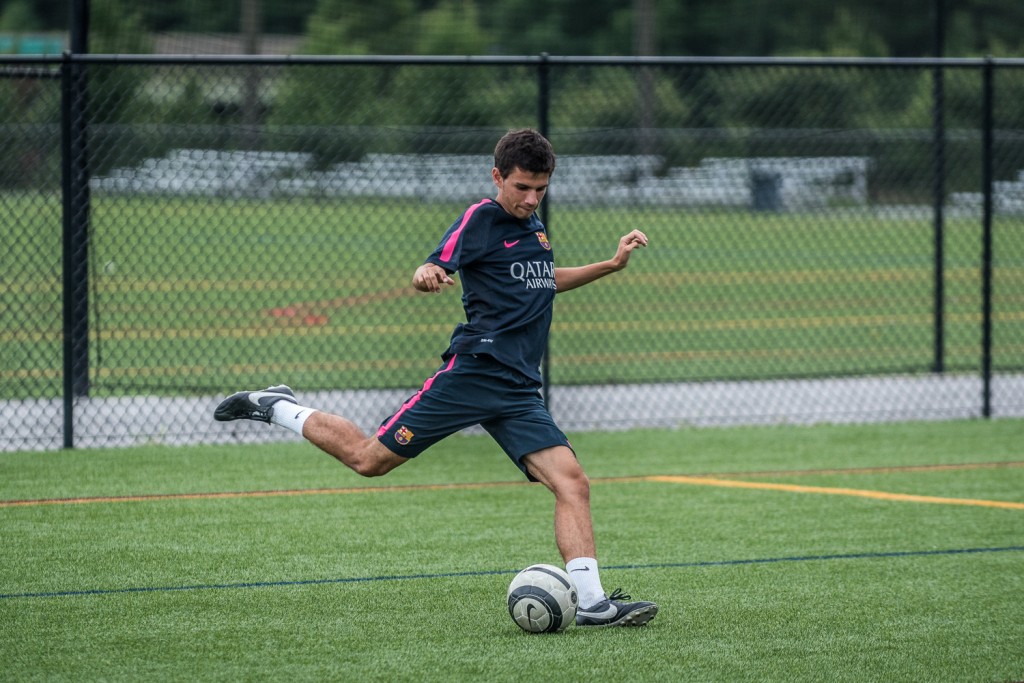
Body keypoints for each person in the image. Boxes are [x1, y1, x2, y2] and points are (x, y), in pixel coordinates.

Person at [215, 128, 657, 627]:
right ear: (497, 177)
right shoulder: (482, 217)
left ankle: (594, 604)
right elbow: (432, 263)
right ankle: (275, 406)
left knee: (573, 482)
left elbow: (544, 281)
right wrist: (427, 273)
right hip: (474, 373)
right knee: (368, 460)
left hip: (517, 390)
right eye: (521, 188)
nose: (531, 199)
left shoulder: (534, 228)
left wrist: (611, 264)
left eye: (541, 189)